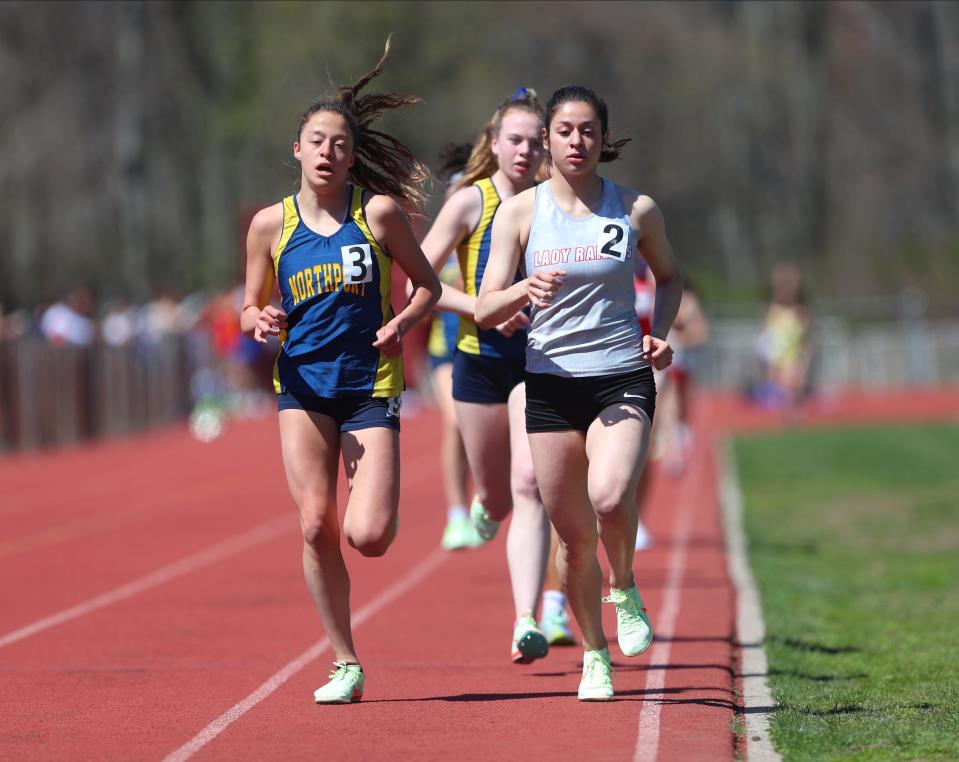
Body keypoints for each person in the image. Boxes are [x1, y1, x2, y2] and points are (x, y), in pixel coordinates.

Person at [240, 39, 441, 705]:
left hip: (368, 387)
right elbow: (248, 304)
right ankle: (345, 661)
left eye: (338, 143)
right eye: (315, 140)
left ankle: (381, 491)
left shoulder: (376, 214)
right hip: (301, 386)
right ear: (296, 150)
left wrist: (402, 324)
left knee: (368, 535)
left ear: (353, 156)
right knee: (312, 523)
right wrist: (258, 319)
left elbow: (428, 288)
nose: (327, 152)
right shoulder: (271, 226)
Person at [475, 85, 683, 701]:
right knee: (571, 538)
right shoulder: (520, 214)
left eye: (588, 130)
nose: (576, 141)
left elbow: (669, 278)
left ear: (603, 138)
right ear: (548, 139)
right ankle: (595, 654)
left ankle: (623, 588)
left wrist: (660, 336)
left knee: (612, 497)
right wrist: (523, 290)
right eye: (564, 130)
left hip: (620, 373)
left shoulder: (635, 209)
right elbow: (486, 307)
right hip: (549, 384)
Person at [420, 88, 553, 664]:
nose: (524, 151)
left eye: (534, 142)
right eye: (514, 140)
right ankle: (483, 503)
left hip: (540, 362)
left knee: (531, 484)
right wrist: (478, 305)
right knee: (498, 497)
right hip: (478, 363)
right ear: (494, 144)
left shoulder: (558, 202)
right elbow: (416, 282)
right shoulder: (470, 202)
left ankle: (526, 619)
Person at [429, 143, 483, 550]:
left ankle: (488, 493)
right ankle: (455, 514)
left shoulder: (488, 232)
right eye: (452, 186)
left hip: (486, 349)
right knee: (455, 422)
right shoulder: (441, 238)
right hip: (446, 350)